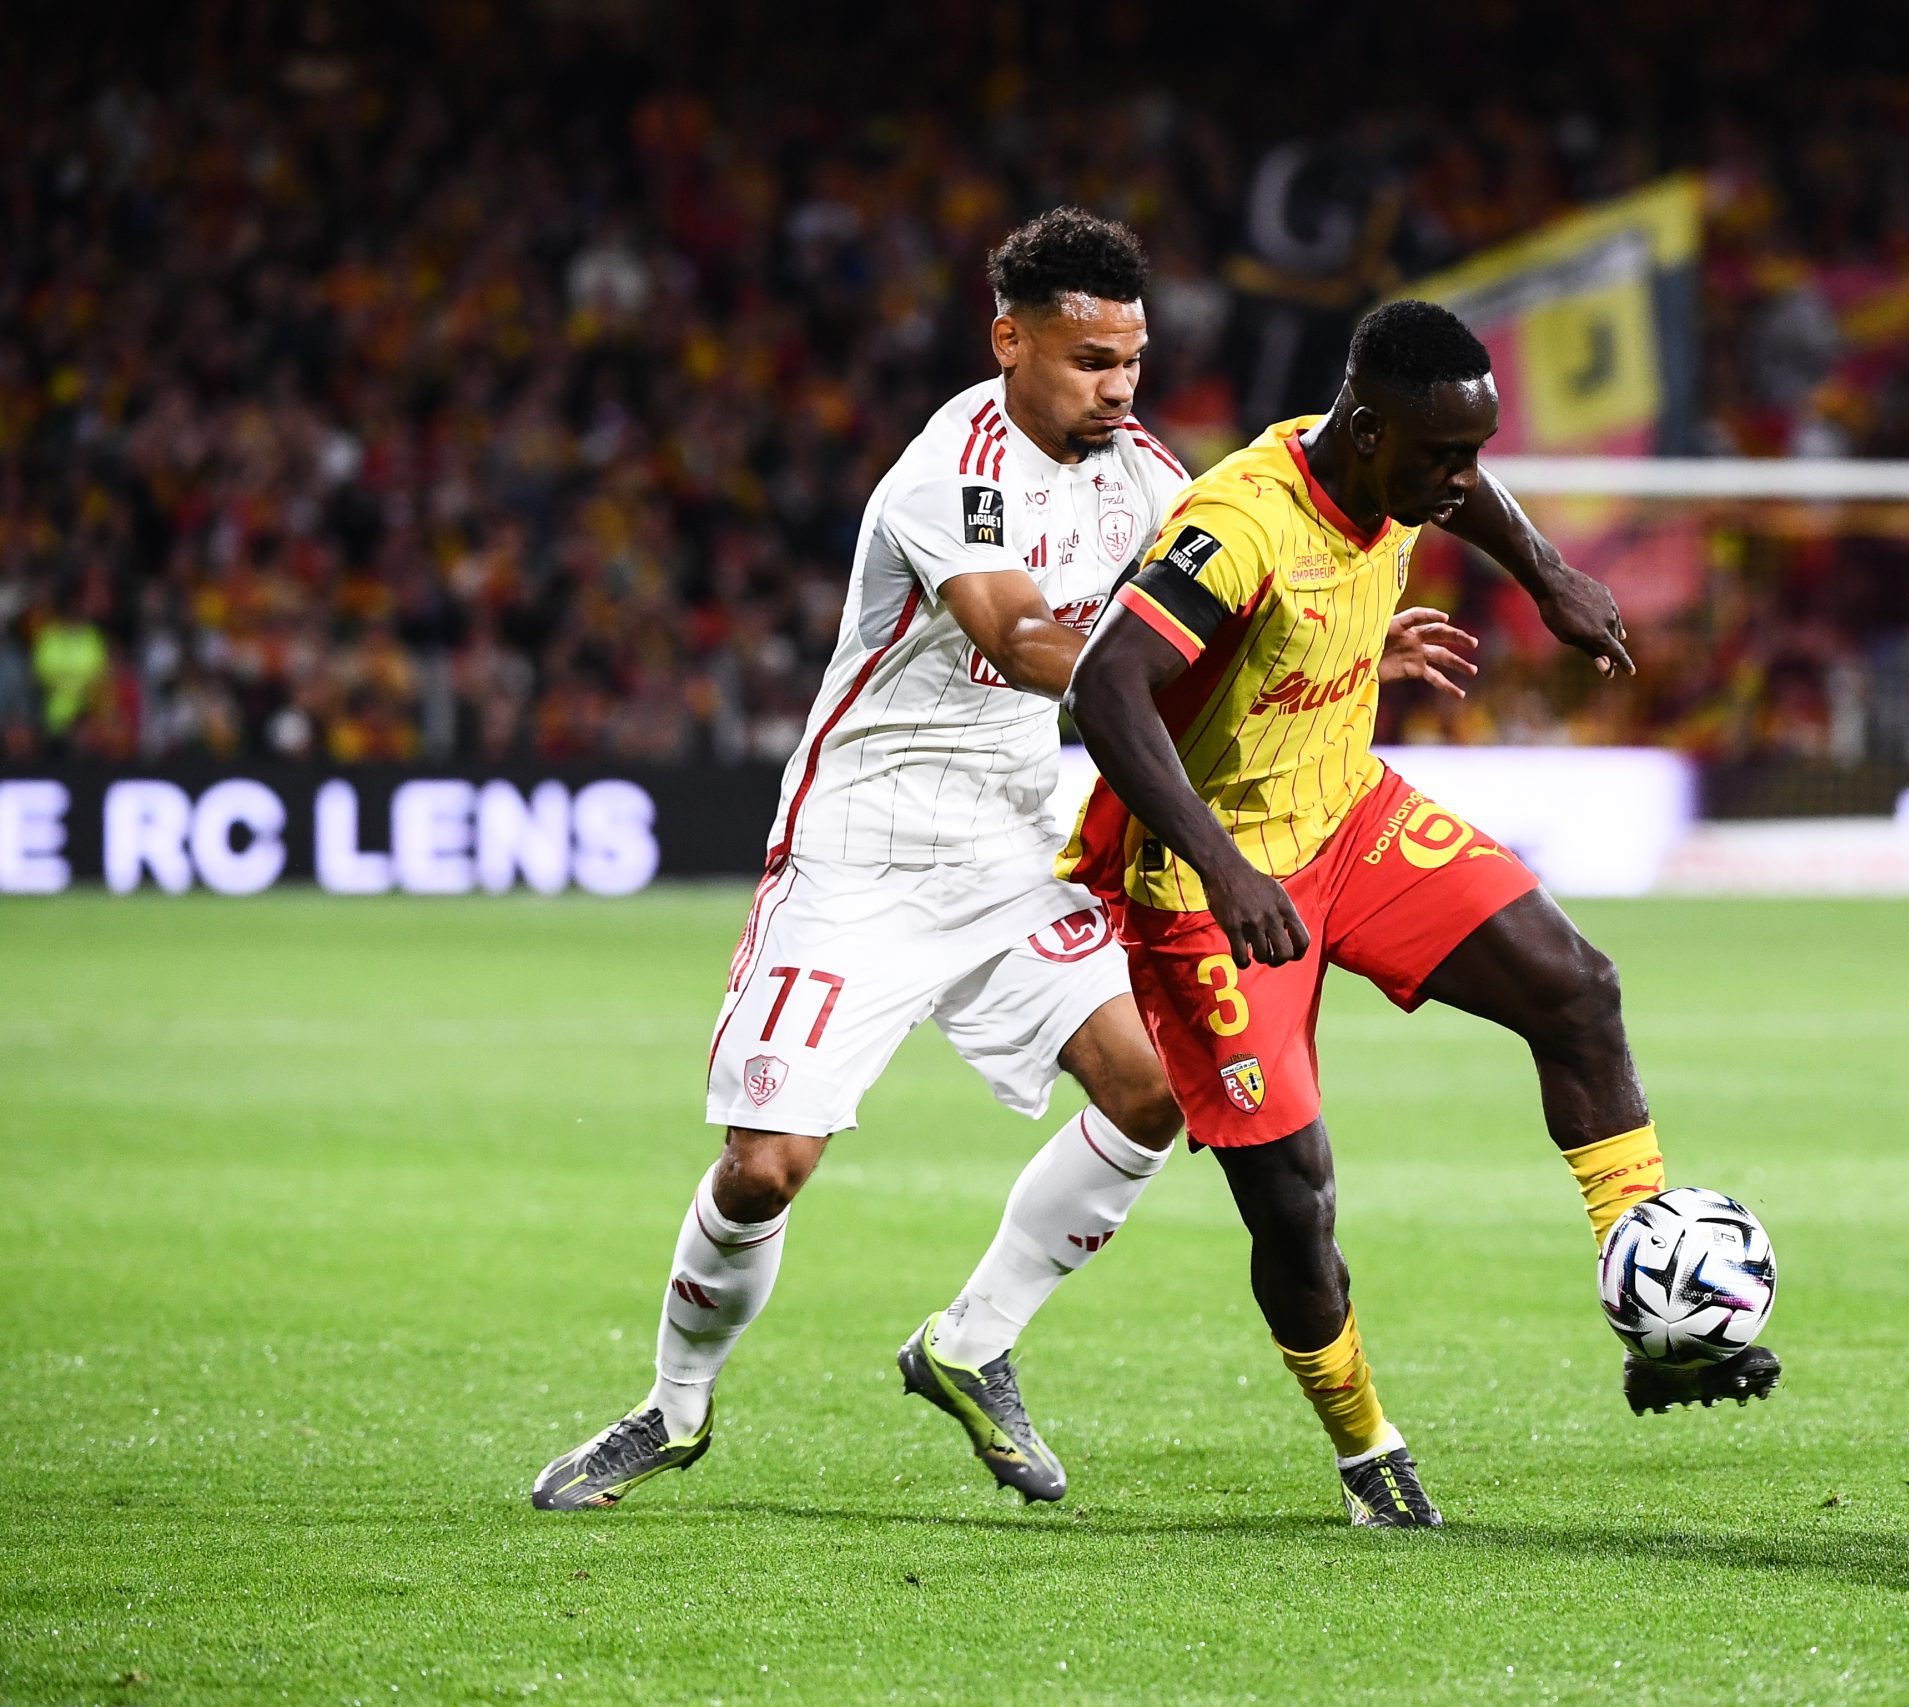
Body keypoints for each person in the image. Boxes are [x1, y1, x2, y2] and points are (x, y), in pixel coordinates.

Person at [531, 212, 1474, 1512]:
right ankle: (674, 1407)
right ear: (1009, 340)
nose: (1119, 385)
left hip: (1028, 850)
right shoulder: (949, 471)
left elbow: (1249, 598)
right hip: (864, 858)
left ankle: (969, 1341)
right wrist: (1154, 652)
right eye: (1091, 358)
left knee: (1157, 1091)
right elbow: (1029, 636)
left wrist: (1344, 648)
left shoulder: (1147, 474)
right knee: (765, 1166)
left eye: (1133, 357)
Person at [1057, 299, 1782, 1529]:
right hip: (1210, 886)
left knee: (1576, 987)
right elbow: (1103, 686)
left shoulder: (1404, 477)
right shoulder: (1236, 524)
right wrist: (1229, 869)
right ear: (1365, 426)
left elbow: (1471, 500)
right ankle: (1364, 1448)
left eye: (1475, 451)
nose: (1462, 481)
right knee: (1294, 1197)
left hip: (1350, 818)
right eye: (1442, 456)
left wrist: (1547, 571)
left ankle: (1652, 1306)